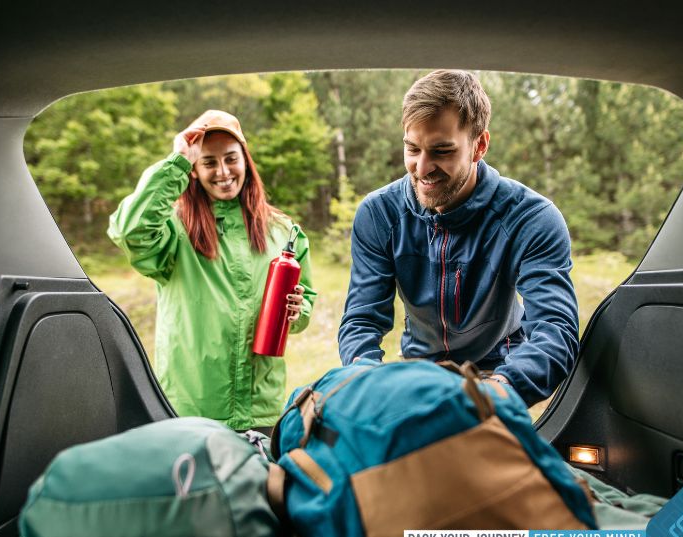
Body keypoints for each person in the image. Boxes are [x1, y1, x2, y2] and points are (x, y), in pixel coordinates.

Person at [338, 70, 578, 407]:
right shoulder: (379, 214)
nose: (422, 168)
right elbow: (362, 319)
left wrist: (495, 392)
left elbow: (555, 329)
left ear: (479, 146)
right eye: (412, 149)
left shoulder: (532, 218)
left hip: (500, 371)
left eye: (441, 151)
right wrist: (367, 379)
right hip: (419, 373)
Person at [109, 109, 317, 433]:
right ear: (194, 170)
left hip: (262, 409)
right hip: (191, 408)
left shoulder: (283, 232)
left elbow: (305, 306)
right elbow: (129, 230)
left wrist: (297, 310)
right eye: (208, 162)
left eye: (231, 158)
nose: (223, 171)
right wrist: (177, 162)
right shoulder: (174, 229)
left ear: (245, 160)